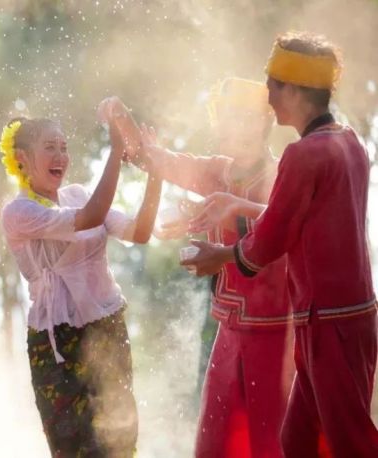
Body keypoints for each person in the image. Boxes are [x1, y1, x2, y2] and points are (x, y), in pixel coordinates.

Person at [182, 32, 378, 457]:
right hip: (340, 317)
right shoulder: (349, 143)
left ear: (295, 90)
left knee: (351, 443)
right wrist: (238, 205)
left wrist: (219, 256)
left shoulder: (304, 155)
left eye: (273, 83)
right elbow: (300, 219)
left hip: (329, 322)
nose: (267, 95)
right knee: (296, 442)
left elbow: (271, 239)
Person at [130, 77, 294, 457]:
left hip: (275, 335)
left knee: (273, 443)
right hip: (228, 332)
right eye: (230, 118)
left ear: (266, 122)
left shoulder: (284, 174)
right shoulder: (217, 171)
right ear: (218, 124)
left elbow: (286, 228)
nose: (239, 128)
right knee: (217, 441)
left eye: (249, 118)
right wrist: (134, 136)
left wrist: (227, 229)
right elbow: (164, 162)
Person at [0, 97, 162, 456]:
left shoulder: (77, 194)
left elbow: (139, 232)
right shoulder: (19, 212)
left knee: (121, 439)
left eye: (64, 147)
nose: (60, 156)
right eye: (50, 148)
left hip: (107, 326)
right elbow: (91, 217)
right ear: (22, 158)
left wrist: (157, 174)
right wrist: (116, 151)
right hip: (59, 340)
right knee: (76, 447)